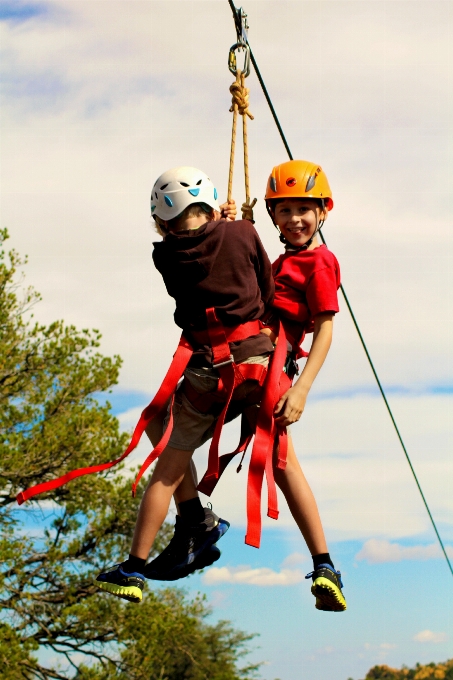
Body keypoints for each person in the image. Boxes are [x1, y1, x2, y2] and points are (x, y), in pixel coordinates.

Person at [158, 159, 347, 612]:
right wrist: (221, 226)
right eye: (283, 211)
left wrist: (300, 391)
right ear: (272, 217)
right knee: (168, 429)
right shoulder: (283, 261)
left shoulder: (320, 262)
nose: (294, 219)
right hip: (247, 363)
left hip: (270, 372)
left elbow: (324, 329)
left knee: (281, 464)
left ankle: (322, 565)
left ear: (324, 211)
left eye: (304, 209)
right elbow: (242, 275)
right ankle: (194, 524)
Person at [95, 166, 276, 603]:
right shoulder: (241, 234)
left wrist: (225, 222)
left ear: (162, 222)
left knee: (167, 460)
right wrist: (235, 224)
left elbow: (203, 246)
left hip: (210, 373)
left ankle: (137, 565)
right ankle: (195, 518)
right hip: (259, 364)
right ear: (211, 205)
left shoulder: (165, 256)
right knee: (158, 420)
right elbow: (265, 288)